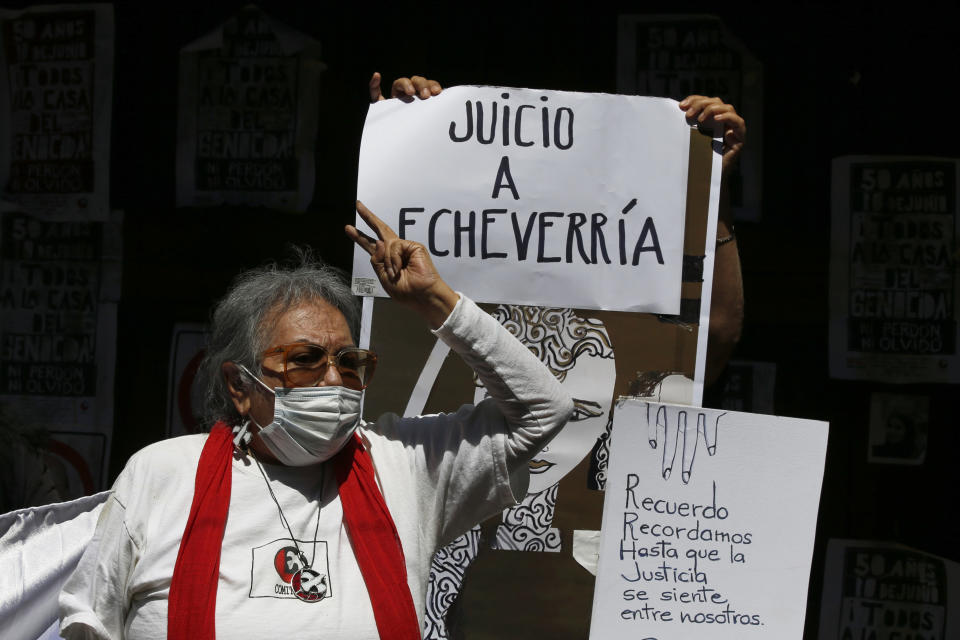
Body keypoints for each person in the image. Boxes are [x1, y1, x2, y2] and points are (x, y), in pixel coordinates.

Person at [57, 200, 574, 639]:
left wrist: (435, 301)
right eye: (304, 360)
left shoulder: (404, 465)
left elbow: (545, 410)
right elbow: (88, 622)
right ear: (240, 387)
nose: (333, 381)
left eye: (349, 363)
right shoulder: (161, 475)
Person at [368, 75, 746, 386]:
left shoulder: (622, 364)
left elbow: (715, 337)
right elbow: (396, 340)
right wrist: (401, 143)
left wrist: (709, 192)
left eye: (579, 409)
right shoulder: (434, 430)